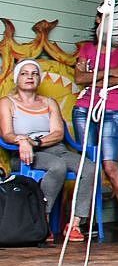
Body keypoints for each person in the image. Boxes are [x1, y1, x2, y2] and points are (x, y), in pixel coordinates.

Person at [0, 60, 96, 242]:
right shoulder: (7, 103)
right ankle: (42, 221)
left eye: (34, 74)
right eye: (24, 73)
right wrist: (22, 141)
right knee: (57, 166)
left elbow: (58, 133)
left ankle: (75, 224)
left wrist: (33, 141)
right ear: (16, 78)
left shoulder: (49, 102)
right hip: (24, 154)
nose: (30, 77)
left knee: (89, 167)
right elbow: (7, 134)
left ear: (39, 79)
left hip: (53, 148)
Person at [73, 11, 118, 241]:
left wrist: (93, 75)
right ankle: (85, 221)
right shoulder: (86, 49)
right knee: (88, 166)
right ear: (98, 21)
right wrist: (110, 72)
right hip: (84, 107)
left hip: (112, 108)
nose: (108, 22)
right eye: (104, 18)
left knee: (111, 166)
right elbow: (78, 78)